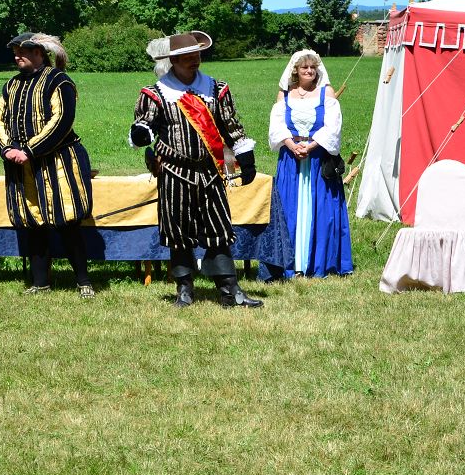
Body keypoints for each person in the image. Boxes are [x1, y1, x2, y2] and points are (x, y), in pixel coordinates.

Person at [129, 31, 263, 308]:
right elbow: (145, 125)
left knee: (219, 229)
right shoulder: (156, 94)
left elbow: (231, 125)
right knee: (178, 234)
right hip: (174, 172)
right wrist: (141, 133)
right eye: (188, 56)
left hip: (210, 172)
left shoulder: (216, 89)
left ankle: (230, 291)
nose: (195, 60)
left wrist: (245, 155)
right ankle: (184, 291)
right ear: (174, 61)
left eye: (197, 55)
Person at [0, 32, 95, 298]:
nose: (17, 57)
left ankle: (83, 281)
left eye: (22, 52)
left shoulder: (59, 81)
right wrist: (7, 149)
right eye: (15, 52)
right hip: (20, 164)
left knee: (67, 221)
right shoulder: (11, 85)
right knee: (32, 223)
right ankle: (41, 283)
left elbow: (62, 120)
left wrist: (30, 150)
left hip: (57, 161)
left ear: (38, 53)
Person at [267, 49, 353, 278]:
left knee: (321, 209)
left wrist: (311, 146)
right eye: (304, 67)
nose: (309, 71)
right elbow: (277, 126)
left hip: (317, 159)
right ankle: (290, 261)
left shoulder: (326, 94)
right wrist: (291, 144)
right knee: (289, 207)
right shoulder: (285, 95)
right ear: (296, 70)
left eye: (313, 67)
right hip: (291, 159)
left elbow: (333, 127)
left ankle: (318, 261)